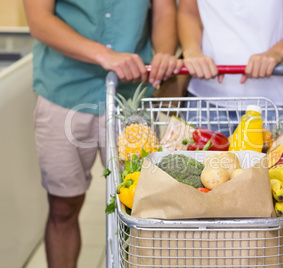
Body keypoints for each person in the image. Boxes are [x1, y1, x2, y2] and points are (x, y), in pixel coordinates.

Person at [23, 0, 182, 267]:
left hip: (133, 95)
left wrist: (163, 54)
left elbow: (164, 10)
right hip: (64, 90)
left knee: (144, 207)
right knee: (63, 207)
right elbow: (39, 19)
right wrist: (102, 54)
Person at [178, 0, 283, 136]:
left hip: (272, 102)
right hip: (205, 98)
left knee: (269, 165)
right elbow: (188, 11)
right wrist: (192, 51)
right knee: (200, 164)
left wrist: (277, 52)